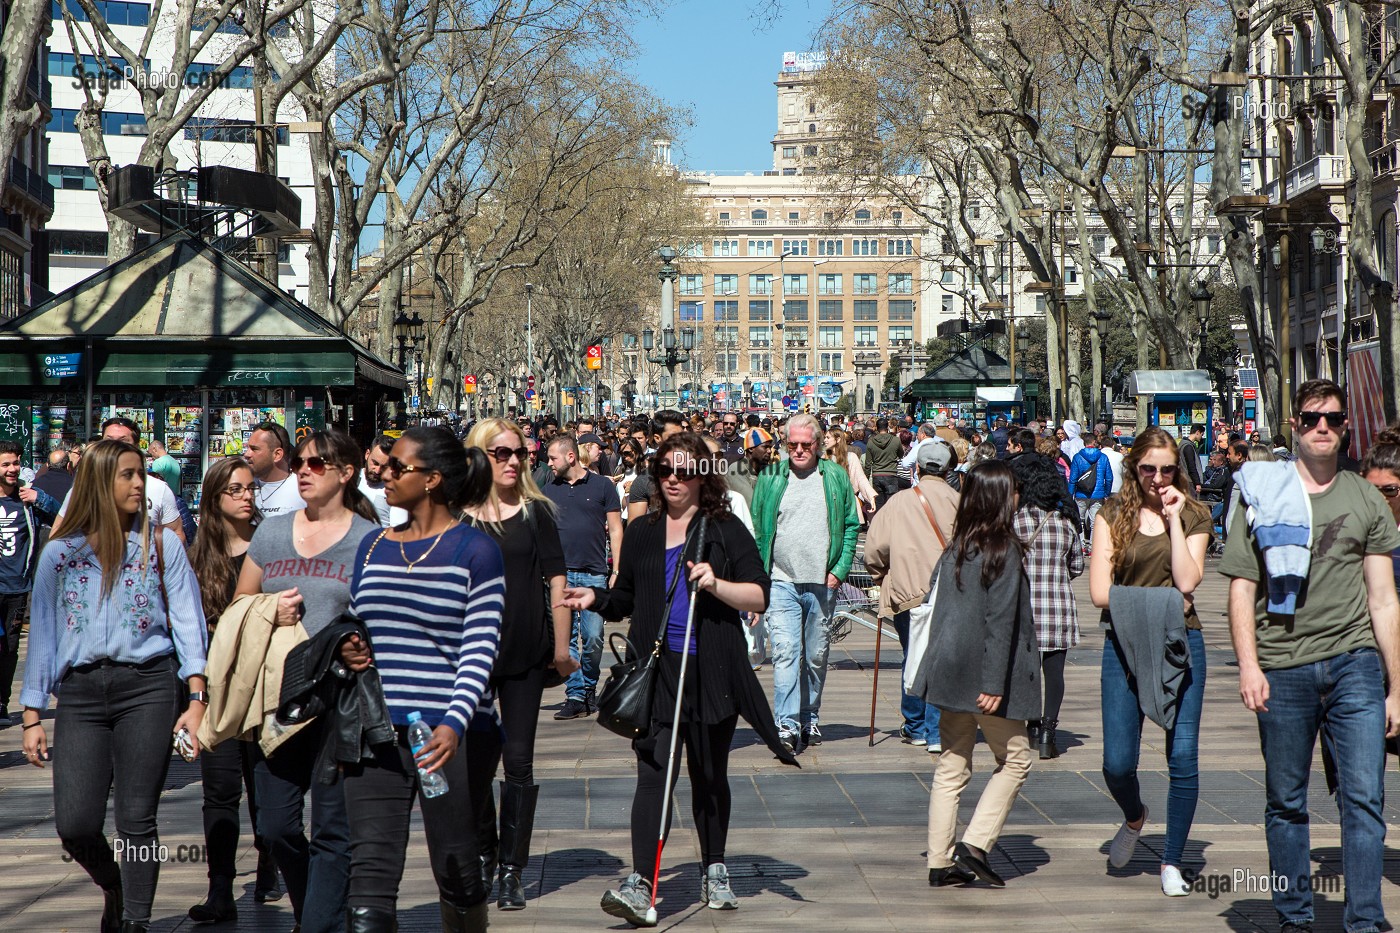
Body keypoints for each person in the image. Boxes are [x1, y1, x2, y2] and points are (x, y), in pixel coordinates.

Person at [559, 432, 796, 926]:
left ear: (701, 475)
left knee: (709, 774)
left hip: (712, 670)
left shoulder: (724, 529)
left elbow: (758, 595)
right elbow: (624, 597)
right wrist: (594, 599)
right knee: (653, 775)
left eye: (684, 472)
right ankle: (642, 880)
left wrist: (715, 583)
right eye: (665, 470)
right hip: (658, 671)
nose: (672, 480)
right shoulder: (642, 529)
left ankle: (714, 866)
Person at [1221, 380, 1400, 933]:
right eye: (1312, 418)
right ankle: (1294, 917)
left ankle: (1365, 922)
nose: (1324, 427)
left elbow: (1383, 597)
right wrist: (1249, 665)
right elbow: (1240, 590)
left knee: (1365, 800)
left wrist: (1397, 684)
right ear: (1293, 425)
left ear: (1347, 428)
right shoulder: (1262, 493)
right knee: (1285, 802)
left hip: (1355, 664)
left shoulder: (1365, 496)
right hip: (1283, 665)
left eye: (1335, 419)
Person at [20, 439, 208, 933]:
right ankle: (113, 885)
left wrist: (196, 695)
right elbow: (43, 632)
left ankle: (136, 924)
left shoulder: (159, 544)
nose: (139, 484)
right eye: (127, 475)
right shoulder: (59, 555)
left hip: (147, 687)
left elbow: (189, 620)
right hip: (80, 695)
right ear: (101, 482)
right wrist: (32, 713)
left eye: (140, 474)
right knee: (76, 824)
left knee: (135, 818)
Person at [338, 428, 505, 931]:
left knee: (455, 869)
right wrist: (349, 645)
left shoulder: (475, 551)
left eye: (398, 467)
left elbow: (480, 647)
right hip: (376, 733)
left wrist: (453, 724)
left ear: (432, 480)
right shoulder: (371, 548)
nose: (384, 473)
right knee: (367, 880)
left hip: (449, 738)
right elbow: (356, 621)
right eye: (385, 465)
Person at [234, 430, 379, 933]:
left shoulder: (368, 539)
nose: (304, 470)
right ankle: (313, 913)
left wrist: (358, 642)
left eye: (317, 463)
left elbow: (379, 619)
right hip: (277, 697)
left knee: (334, 830)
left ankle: (318, 924)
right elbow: (240, 606)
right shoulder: (271, 533)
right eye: (299, 462)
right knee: (275, 826)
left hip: (339, 699)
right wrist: (270, 608)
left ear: (346, 472)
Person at [1089, 428, 1212, 897]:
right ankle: (1135, 816)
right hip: (1122, 644)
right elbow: (1099, 593)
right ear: (1133, 467)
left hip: (1182, 644)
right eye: (1148, 468)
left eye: (1167, 468)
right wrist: (1161, 603)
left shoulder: (1196, 513)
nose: (1158, 478)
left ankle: (1173, 860)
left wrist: (1176, 519)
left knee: (1182, 756)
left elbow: (1187, 583)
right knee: (1117, 764)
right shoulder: (1111, 514)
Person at [462, 418, 578, 911]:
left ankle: (512, 869)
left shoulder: (537, 513)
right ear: (479, 457)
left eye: (519, 454)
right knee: (469, 767)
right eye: (501, 453)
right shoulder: (456, 514)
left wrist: (562, 647)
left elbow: (558, 580)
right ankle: (485, 854)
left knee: (520, 761)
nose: (512, 461)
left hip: (526, 650)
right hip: (469, 655)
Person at [911, 460, 1039, 889]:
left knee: (951, 765)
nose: (1019, 497)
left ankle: (939, 859)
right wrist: (992, 684)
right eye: (1014, 490)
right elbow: (1000, 622)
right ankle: (977, 842)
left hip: (948, 670)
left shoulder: (957, 547)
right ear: (1002, 497)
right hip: (985, 676)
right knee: (1016, 758)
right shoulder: (1003, 549)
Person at [186, 457, 281, 921]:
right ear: (215, 498)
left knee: (265, 789)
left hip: (263, 687)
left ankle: (269, 857)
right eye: (236, 490)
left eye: (250, 489)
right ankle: (220, 889)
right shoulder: (196, 554)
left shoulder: (271, 545)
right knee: (220, 791)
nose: (247, 497)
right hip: (218, 691)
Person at [749, 413, 861, 752]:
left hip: (822, 581)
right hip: (780, 580)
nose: (798, 450)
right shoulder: (770, 477)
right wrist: (759, 578)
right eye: (792, 444)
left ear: (818, 443)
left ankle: (809, 717)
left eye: (805, 445)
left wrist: (838, 571)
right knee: (785, 652)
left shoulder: (836, 476)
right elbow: (757, 530)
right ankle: (786, 724)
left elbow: (852, 525)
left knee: (815, 656)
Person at [864, 439, 958, 753]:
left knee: (913, 654)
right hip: (948, 593)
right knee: (940, 658)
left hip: (908, 592)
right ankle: (934, 730)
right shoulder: (960, 502)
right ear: (948, 469)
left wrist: (884, 578)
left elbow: (874, 550)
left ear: (916, 468)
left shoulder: (899, 502)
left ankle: (917, 725)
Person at [542, 435, 623, 720]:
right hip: (560, 576)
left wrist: (617, 570)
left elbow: (615, 529)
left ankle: (589, 686)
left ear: (571, 457)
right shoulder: (549, 489)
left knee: (592, 637)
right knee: (566, 640)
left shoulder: (602, 486)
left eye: (553, 458)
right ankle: (576, 694)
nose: (549, 463)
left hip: (594, 574)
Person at [1010, 452, 1082, 760]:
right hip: (1057, 605)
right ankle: (1049, 732)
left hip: (1023, 607)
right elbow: (1076, 566)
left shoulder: (1016, 522)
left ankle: (1031, 724)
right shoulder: (1065, 523)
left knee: (1027, 671)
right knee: (1055, 672)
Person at [51, 417, 185, 544]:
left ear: (136, 446)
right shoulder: (83, 489)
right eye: (108, 440)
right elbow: (57, 534)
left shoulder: (158, 489)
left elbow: (176, 535)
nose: (114, 446)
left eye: (123, 441)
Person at [0, 441, 59, 722]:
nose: (12, 469)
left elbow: (64, 516)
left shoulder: (29, 497)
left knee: (10, 648)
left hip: (18, 586)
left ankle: (1, 702)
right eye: (5, 464)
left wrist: (40, 500)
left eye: (15, 463)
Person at [245, 421, 306, 519]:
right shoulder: (243, 487)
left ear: (277, 455)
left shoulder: (303, 489)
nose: (247, 454)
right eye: (248, 448)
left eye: (254, 449)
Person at [824, 426, 877, 519]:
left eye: (828, 438)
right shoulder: (823, 459)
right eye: (825, 437)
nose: (825, 440)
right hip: (828, 505)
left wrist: (871, 496)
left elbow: (861, 478)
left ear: (838, 439)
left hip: (847, 503)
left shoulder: (851, 457)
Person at [359, 434, 409, 527]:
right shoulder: (351, 480)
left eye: (384, 466)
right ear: (367, 455)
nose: (377, 470)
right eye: (375, 463)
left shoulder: (395, 489)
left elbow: (398, 530)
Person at [865, 417, 903, 509]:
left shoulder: (870, 442)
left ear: (877, 428)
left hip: (877, 475)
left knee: (879, 504)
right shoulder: (896, 440)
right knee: (892, 503)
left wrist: (866, 478)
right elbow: (901, 454)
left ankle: (880, 521)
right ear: (887, 427)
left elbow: (868, 463)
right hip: (891, 473)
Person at [1069, 433, 1113, 501]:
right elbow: (1109, 478)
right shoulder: (1103, 457)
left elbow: (1072, 479)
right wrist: (1106, 494)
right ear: (1094, 442)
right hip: (1098, 495)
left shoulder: (1077, 457)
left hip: (1081, 494)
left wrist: (1070, 495)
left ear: (1084, 443)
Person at [1179, 424, 1205, 496]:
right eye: (1201, 434)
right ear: (1197, 432)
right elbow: (1191, 466)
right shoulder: (1188, 447)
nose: (1201, 437)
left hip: (1183, 479)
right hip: (1189, 481)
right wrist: (1197, 483)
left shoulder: (1182, 444)